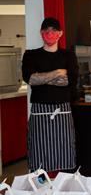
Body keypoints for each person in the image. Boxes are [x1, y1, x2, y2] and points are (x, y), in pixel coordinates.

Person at [22, 17, 78, 174]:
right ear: (41, 34)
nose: (50, 34)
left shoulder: (68, 55)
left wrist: (43, 78)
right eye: (46, 31)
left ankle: (64, 193)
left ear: (60, 34)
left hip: (63, 112)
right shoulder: (31, 55)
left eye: (54, 31)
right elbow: (31, 79)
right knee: (38, 160)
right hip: (39, 113)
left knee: (66, 156)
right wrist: (58, 72)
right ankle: (39, 194)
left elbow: (70, 81)